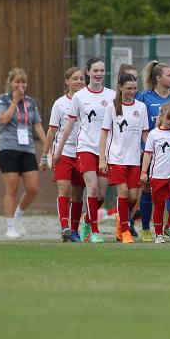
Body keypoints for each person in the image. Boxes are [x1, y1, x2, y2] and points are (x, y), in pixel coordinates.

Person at [54, 58, 116, 243]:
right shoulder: (80, 97)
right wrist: (58, 150)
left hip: (105, 151)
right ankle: (95, 232)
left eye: (102, 70)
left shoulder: (111, 95)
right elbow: (68, 125)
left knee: (102, 195)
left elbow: (117, 124)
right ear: (88, 72)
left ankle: (87, 220)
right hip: (86, 148)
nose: (99, 74)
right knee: (93, 188)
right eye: (95, 70)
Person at [0, 67, 47, 239]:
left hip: (27, 148)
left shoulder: (31, 102)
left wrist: (48, 146)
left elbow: (38, 125)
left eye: (23, 82)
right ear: (11, 83)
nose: (20, 85)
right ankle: (10, 226)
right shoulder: (2, 99)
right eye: (17, 81)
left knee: (33, 187)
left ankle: (18, 216)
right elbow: (3, 119)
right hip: (8, 148)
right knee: (12, 187)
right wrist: (14, 102)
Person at [99, 73, 149, 244]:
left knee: (134, 197)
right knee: (124, 193)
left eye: (135, 88)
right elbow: (104, 133)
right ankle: (126, 231)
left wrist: (152, 150)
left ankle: (121, 223)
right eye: (129, 88)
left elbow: (145, 134)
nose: (132, 91)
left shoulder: (141, 107)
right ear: (120, 87)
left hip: (134, 159)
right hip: (116, 158)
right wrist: (102, 158)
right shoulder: (112, 107)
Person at [41, 67, 86, 242]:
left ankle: (74, 230)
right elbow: (52, 131)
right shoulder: (60, 104)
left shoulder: (88, 101)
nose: (79, 81)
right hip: (63, 153)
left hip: (83, 152)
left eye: (82, 78)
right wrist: (45, 155)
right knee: (64, 189)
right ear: (67, 81)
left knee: (78, 193)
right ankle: (64, 227)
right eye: (75, 78)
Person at [136, 61, 170, 242]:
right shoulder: (145, 98)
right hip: (150, 151)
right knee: (147, 192)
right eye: (169, 75)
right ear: (158, 78)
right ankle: (145, 228)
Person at [140, 102, 170, 244]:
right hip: (158, 175)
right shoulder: (154, 134)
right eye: (169, 118)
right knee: (159, 205)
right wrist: (144, 171)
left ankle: (169, 226)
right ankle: (158, 234)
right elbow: (147, 154)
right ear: (161, 117)